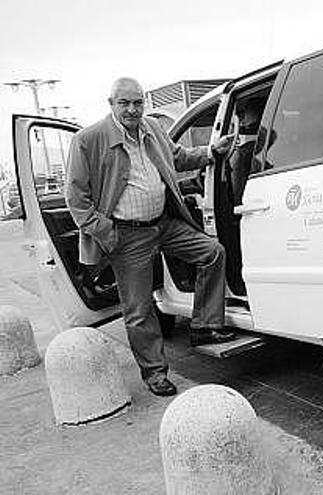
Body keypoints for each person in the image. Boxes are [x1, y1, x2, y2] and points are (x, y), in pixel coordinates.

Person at [65, 77, 236, 396]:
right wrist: (107, 233)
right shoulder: (88, 139)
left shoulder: (152, 129)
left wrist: (212, 151)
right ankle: (155, 372)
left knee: (212, 252)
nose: (132, 109)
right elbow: (75, 199)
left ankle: (203, 326)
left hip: (163, 223)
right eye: (124, 103)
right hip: (126, 235)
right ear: (111, 104)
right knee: (139, 310)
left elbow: (179, 157)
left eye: (137, 102)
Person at [216, 99, 262, 296]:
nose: (239, 117)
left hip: (246, 214)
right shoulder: (259, 152)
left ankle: (237, 284)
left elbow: (237, 198)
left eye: (243, 113)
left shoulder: (242, 155)